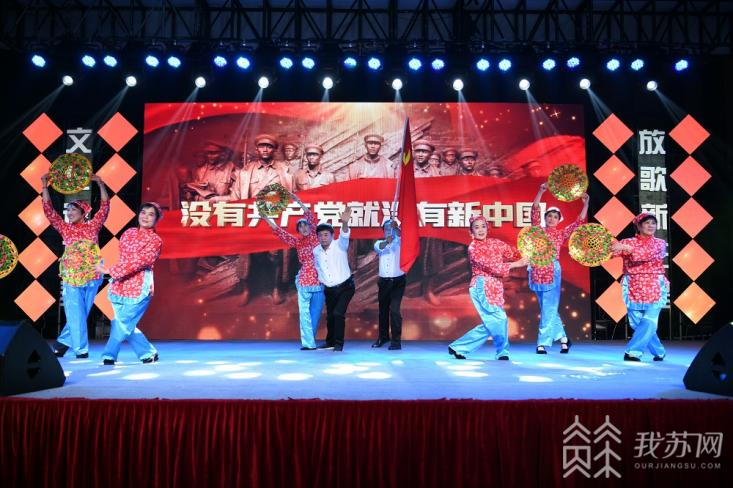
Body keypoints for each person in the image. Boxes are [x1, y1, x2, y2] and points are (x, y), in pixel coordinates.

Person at [41, 173, 110, 359]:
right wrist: (44, 186)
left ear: (83, 212)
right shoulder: (65, 228)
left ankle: (62, 343)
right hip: (71, 274)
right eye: (68, 210)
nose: (69, 213)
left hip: (92, 274)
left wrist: (100, 184)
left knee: (81, 312)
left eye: (73, 210)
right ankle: (81, 350)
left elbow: (105, 206)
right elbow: (49, 211)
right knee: (74, 311)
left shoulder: (93, 226)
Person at [225, 134, 295, 305]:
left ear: (274, 150)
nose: (265, 149)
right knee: (247, 256)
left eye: (269, 146)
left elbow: (292, 196)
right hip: (252, 217)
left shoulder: (283, 170)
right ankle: (247, 290)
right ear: (256, 149)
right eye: (262, 146)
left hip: (275, 217)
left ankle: (276, 288)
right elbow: (235, 197)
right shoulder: (245, 171)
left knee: (276, 255)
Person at [448, 216, 527, 360]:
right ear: (471, 231)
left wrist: (528, 253)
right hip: (482, 286)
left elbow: (513, 252)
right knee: (499, 318)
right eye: (476, 227)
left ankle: (459, 347)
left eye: (483, 226)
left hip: (495, 287)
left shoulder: (495, 243)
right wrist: (517, 264)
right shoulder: (473, 248)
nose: (480, 230)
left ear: (487, 228)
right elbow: (492, 267)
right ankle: (502, 352)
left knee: (494, 321)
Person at [97, 203, 163, 365]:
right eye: (143, 212)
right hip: (120, 284)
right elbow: (124, 258)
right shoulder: (128, 233)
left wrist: (110, 271)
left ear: (156, 219)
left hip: (140, 284)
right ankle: (148, 352)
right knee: (125, 323)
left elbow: (139, 262)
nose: (145, 217)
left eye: (151, 214)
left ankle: (109, 354)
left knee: (122, 322)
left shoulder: (155, 240)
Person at [529, 183, 589, 354]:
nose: (551, 219)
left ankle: (542, 343)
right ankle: (563, 339)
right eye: (549, 216)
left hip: (552, 270)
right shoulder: (537, 230)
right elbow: (534, 210)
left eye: (555, 216)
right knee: (547, 308)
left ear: (558, 220)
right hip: (536, 270)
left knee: (548, 307)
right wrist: (540, 191)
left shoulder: (561, 233)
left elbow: (578, 222)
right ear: (545, 218)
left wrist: (586, 203)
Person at [262, 192, 324, 350]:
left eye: (305, 225)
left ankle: (311, 339)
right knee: (304, 314)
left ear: (310, 226)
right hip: (304, 281)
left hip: (319, 280)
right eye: (300, 226)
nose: (303, 228)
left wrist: (298, 201)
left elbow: (310, 216)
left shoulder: (316, 237)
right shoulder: (298, 242)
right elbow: (279, 232)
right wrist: (266, 218)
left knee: (315, 313)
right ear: (298, 230)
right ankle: (308, 344)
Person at [611, 212, 668, 362]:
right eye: (647, 223)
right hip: (633, 285)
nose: (651, 226)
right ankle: (659, 351)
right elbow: (610, 254)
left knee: (649, 320)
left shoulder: (660, 243)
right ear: (639, 226)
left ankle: (633, 352)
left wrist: (625, 248)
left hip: (654, 284)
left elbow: (646, 254)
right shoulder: (627, 241)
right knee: (637, 322)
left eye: (653, 223)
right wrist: (605, 248)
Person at [313, 206, 354, 351]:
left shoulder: (339, 245)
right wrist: (322, 281)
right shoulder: (316, 251)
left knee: (338, 313)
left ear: (332, 235)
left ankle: (338, 344)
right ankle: (330, 342)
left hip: (345, 287)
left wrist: (345, 223)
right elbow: (319, 268)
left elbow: (344, 234)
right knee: (330, 316)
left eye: (326, 235)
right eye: (320, 235)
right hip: (329, 289)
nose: (323, 238)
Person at [372, 219, 405, 350]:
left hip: (398, 281)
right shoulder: (379, 243)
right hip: (384, 282)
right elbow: (380, 247)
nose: (389, 231)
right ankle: (383, 337)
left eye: (391, 229)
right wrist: (387, 241)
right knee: (383, 311)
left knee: (395, 310)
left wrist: (396, 228)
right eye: (386, 229)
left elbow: (403, 236)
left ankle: (396, 341)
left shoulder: (400, 241)